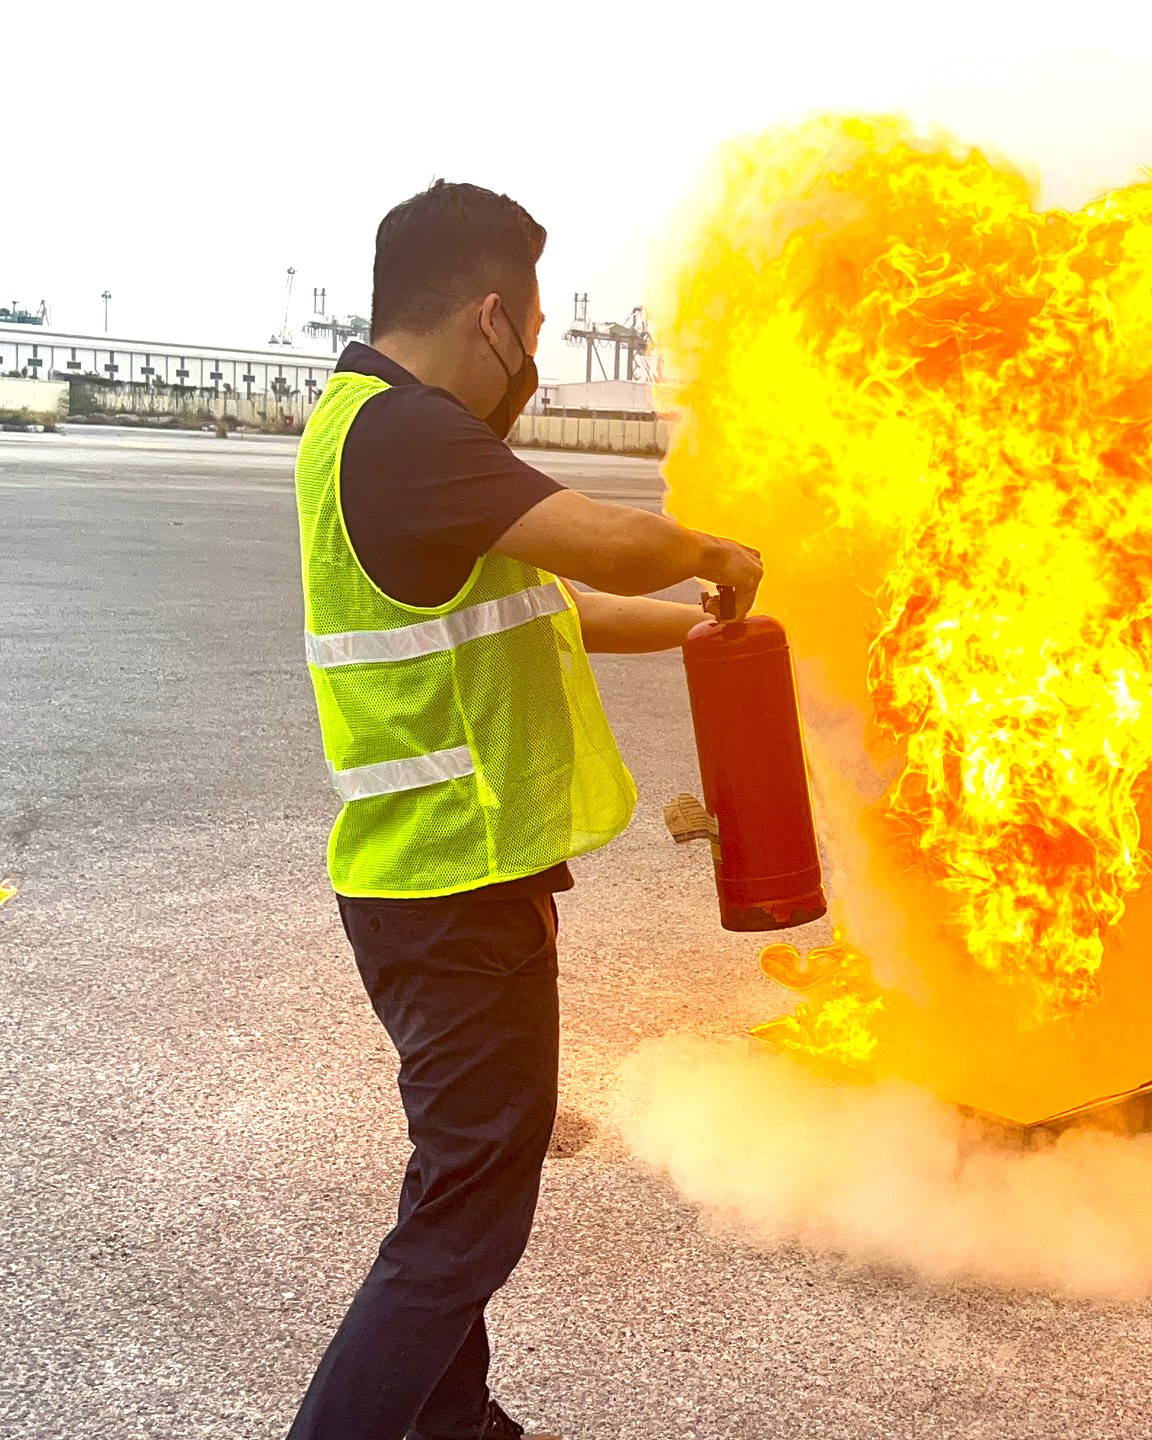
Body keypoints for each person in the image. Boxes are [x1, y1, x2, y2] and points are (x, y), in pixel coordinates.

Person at [285, 181, 763, 1440]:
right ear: (494, 318)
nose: (538, 362)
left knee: (460, 1188)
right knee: (465, 1227)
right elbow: (606, 544)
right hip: (453, 892)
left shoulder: (369, 434)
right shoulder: (412, 434)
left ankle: (455, 1426)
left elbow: (568, 606)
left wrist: (710, 629)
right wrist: (715, 554)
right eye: (538, 328)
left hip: (434, 887)